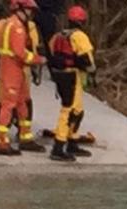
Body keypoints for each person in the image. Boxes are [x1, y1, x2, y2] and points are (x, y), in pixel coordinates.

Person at [0, 0, 47, 156]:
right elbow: (20, 53)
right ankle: (1, 143)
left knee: (23, 102)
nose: (31, 13)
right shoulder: (17, 28)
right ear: (20, 9)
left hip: (15, 69)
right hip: (11, 69)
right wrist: (38, 59)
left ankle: (25, 137)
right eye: (29, 10)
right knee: (8, 104)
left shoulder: (11, 24)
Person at [47, 4, 96, 162]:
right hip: (71, 76)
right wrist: (92, 74)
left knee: (78, 110)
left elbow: (51, 51)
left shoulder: (58, 36)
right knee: (68, 111)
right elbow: (86, 59)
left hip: (60, 75)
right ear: (82, 21)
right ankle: (58, 147)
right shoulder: (79, 36)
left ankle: (72, 142)